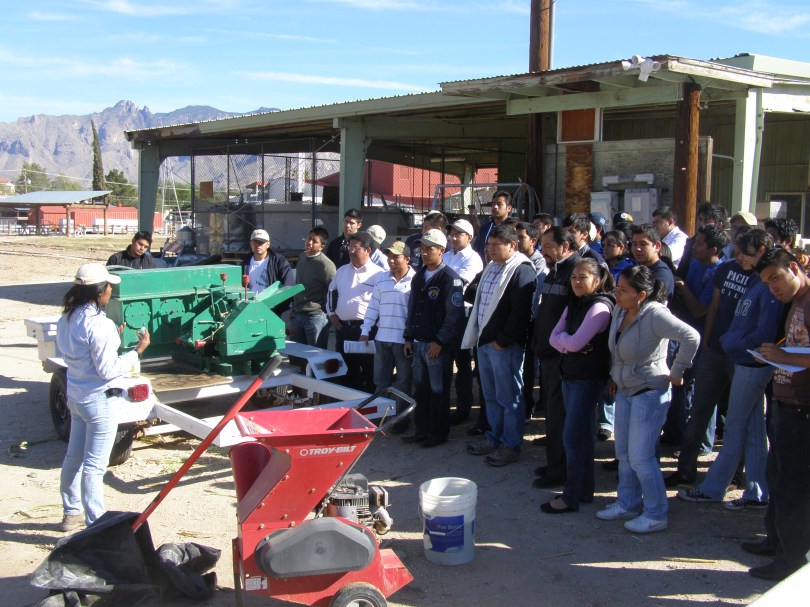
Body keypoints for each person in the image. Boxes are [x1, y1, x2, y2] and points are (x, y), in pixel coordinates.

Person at [678, 235, 782, 510]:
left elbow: (764, 331)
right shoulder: (755, 280)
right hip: (743, 358)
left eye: (745, 252)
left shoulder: (767, 286)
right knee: (753, 428)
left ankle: (713, 488)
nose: (738, 257)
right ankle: (758, 492)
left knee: (735, 426)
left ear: (762, 251)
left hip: (750, 362)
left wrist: (731, 343)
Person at [595, 265, 699, 534]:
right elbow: (619, 349)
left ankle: (656, 513)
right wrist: (615, 375)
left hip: (650, 391)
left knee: (641, 456)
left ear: (641, 294)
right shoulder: (620, 310)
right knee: (623, 453)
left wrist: (678, 371)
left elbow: (691, 336)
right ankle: (627, 503)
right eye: (617, 288)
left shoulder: (655, 314)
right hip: (625, 389)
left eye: (623, 290)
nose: (617, 294)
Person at [664, 228, 764, 488]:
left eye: (744, 251)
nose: (739, 255)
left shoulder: (762, 277)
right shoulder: (726, 269)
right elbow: (714, 308)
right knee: (699, 411)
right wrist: (707, 341)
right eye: (737, 249)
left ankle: (734, 474)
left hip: (742, 357)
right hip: (715, 350)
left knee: (737, 418)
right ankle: (685, 470)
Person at [57, 263, 151, 532]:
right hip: (100, 400)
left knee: (74, 458)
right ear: (99, 292)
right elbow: (108, 370)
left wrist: (112, 341)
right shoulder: (100, 324)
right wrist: (137, 351)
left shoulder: (67, 318)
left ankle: (71, 512)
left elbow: (76, 354)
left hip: (77, 397)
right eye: (109, 286)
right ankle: (96, 523)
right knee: (95, 466)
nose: (111, 290)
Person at [739, 247, 810, 581]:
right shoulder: (795, 301)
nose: (773, 288)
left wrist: (784, 357)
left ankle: (791, 561)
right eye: (767, 283)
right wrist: (775, 354)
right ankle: (776, 541)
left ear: (793, 267)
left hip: (803, 410)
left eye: (776, 279)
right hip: (784, 404)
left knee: (794, 489)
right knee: (778, 480)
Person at [542, 258, 615, 513]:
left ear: (597, 280)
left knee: (572, 438)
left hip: (587, 379)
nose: (576, 282)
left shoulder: (600, 307)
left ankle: (570, 496)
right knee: (582, 437)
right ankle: (583, 490)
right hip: (571, 374)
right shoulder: (575, 302)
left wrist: (568, 343)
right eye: (574, 277)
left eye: (583, 277)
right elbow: (555, 338)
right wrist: (569, 344)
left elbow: (572, 343)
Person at [463, 224, 535, 466]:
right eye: (489, 245)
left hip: (504, 346)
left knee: (509, 397)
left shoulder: (522, 270)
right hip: (484, 342)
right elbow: (475, 296)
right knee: (491, 396)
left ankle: (510, 444)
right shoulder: (491, 267)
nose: (490, 249)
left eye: (496, 245)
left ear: (512, 245)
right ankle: (493, 437)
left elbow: (521, 314)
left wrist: (503, 341)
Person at [402, 229, 466, 448]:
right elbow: (412, 309)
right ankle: (421, 430)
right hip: (418, 342)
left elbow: (454, 315)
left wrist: (440, 341)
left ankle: (438, 434)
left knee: (438, 391)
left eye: (430, 248)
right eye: (423, 247)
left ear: (441, 250)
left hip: (436, 345)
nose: (424, 252)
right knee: (421, 389)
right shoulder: (419, 276)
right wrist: (408, 337)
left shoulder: (450, 279)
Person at [531, 227, 581, 488]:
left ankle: (561, 470)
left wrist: (558, 347)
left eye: (549, 246)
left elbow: (576, 318)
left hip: (561, 358)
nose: (543, 251)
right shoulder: (555, 270)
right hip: (548, 356)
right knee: (552, 414)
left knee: (560, 416)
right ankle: (554, 464)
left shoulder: (576, 272)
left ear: (566, 246)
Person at [360, 241, 415, 433]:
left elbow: (415, 313)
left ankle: (400, 421)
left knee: (403, 383)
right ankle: (380, 419)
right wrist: (365, 330)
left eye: (396, 257)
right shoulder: (382, 278)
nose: (391, 260)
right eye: (389, 256)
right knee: (380, 381)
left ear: (407, 259)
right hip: (382, 339)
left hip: (403, 342)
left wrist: (410, 338)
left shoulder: (415, 280)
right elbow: (373, 306)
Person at [325, 231, 384, 391]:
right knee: (347, 370)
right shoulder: (342, 271)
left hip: (367, 330)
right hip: (344, 329)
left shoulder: (378, 274)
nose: (351, 251)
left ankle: (369, 400)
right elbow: (331, 293)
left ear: (368, 250)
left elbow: (383, 302)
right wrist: (332, 314)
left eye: (356, 248)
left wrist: (375, 326)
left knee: (369, 369)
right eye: (349, 247)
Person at [443, 219, 484, 424]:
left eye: (458, 234)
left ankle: (463, 407)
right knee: (444, 361)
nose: (453, 237)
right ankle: (443, 406)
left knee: (462, 364)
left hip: (462, 315)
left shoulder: (473, 259)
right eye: (451, 233)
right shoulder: (446, 255)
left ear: (469, 237)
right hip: (443, 314)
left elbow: (458, 284)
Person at [516, 221, 548, 419]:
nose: (517, 241)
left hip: (531, 321)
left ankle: (528, 406)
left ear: (533, 240)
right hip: (516, 320)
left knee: (528, 367)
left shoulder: (539, 263)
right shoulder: (515, 258)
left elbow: (533, 294)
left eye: (521, 237)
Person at [289, 227, 336, 349]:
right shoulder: (302, 257)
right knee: (296, 352)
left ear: (322, 246)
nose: (309, 242)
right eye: (309, 238)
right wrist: (293, 309)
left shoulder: (326, 265)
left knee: (316, 353)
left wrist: (330, 314)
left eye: (314, 241)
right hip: (297, 313)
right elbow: (297, 283)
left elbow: (333, 291)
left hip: (316, 316)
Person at [241, 228, 294, 295]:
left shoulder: (278, 261)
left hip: (271, 301)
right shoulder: (245, 263)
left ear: (268, 244)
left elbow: (288, 285)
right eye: (255, 242)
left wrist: (276, 299)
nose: (258, 245)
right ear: (250, 244)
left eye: (261, 242)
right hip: (250, 301)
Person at [630, 223, 674, 300]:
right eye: (635, 244)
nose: (637, 249)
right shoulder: (636, 268)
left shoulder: (661, 274)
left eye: (643, 244)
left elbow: (650, 300)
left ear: (657, 246)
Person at [472, 191, 513, 261]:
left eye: (499, 204)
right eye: (493, 204)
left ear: (509, 208)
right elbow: (476, 250)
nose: (495, 207)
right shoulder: (485, 228)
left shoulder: (513, 228)